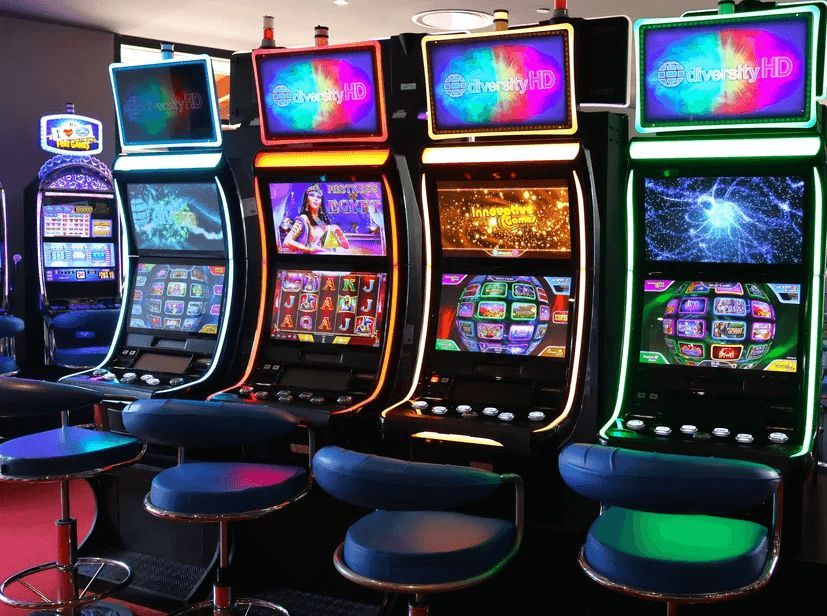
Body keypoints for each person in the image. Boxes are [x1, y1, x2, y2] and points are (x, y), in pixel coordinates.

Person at [282, 184, 350, 253]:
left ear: (321, 202)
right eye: (311, 195)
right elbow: (286, 242)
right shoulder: (304, 219)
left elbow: (345, 247)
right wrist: (308, 249)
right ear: (307, 200)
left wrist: (338, 231)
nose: (315, 199)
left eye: (319, 197)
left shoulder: (322, 223)